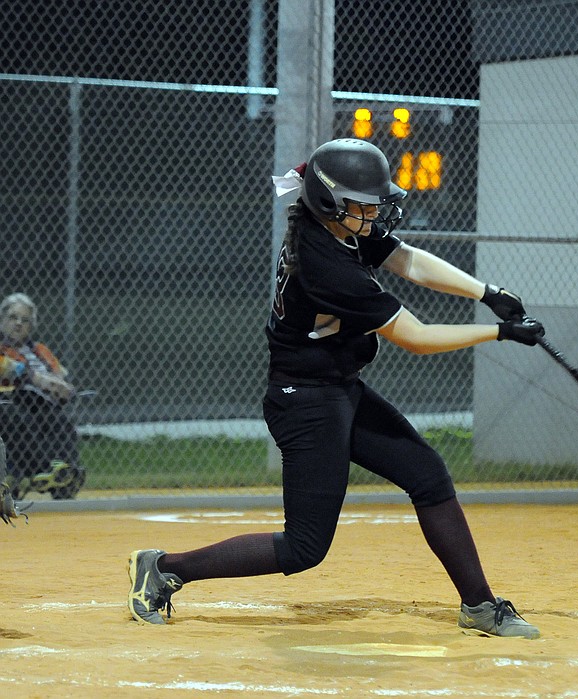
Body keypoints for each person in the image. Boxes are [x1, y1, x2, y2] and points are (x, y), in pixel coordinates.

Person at [127, 138, 545, 638]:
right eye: (363, 205)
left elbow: (407, 260)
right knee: (304, 548)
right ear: (330, 202)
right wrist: (498, 332)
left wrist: (487, 293)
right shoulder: (327, 262)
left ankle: (479, 605)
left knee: (428, 476)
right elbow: (416, 337)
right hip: (305, 403)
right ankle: (165, 566)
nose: (373, 215)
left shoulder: (334, 229)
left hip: (338, 388)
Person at [0, 292, 86, 499]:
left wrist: (63, 388)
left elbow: (60, 375)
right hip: (10, 400)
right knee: (21, 419)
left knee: (61, 423)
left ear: (31, 326)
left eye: (25, 320)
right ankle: (44, 468)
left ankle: (66, 473)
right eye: (13, 318)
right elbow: (7, 369)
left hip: (42, 403)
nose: (18, 324)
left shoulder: (40, 350)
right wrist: (34, 378)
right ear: (2, 319)